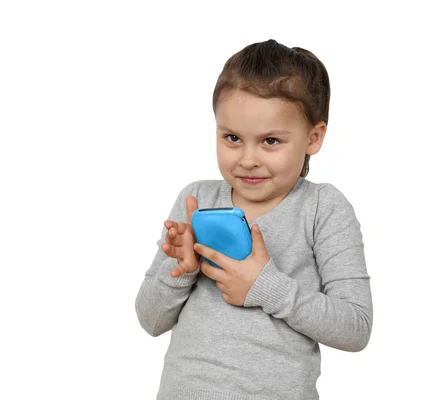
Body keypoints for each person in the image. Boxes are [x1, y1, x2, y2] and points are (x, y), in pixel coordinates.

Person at [135, 39, 373, 400]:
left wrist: (265, 287)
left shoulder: (324, 208)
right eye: (232, 138)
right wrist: (179, 271)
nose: (248, 159)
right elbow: (151, 322)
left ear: (314, 137)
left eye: (270, 141)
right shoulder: (196, 199)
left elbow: (355, 328)